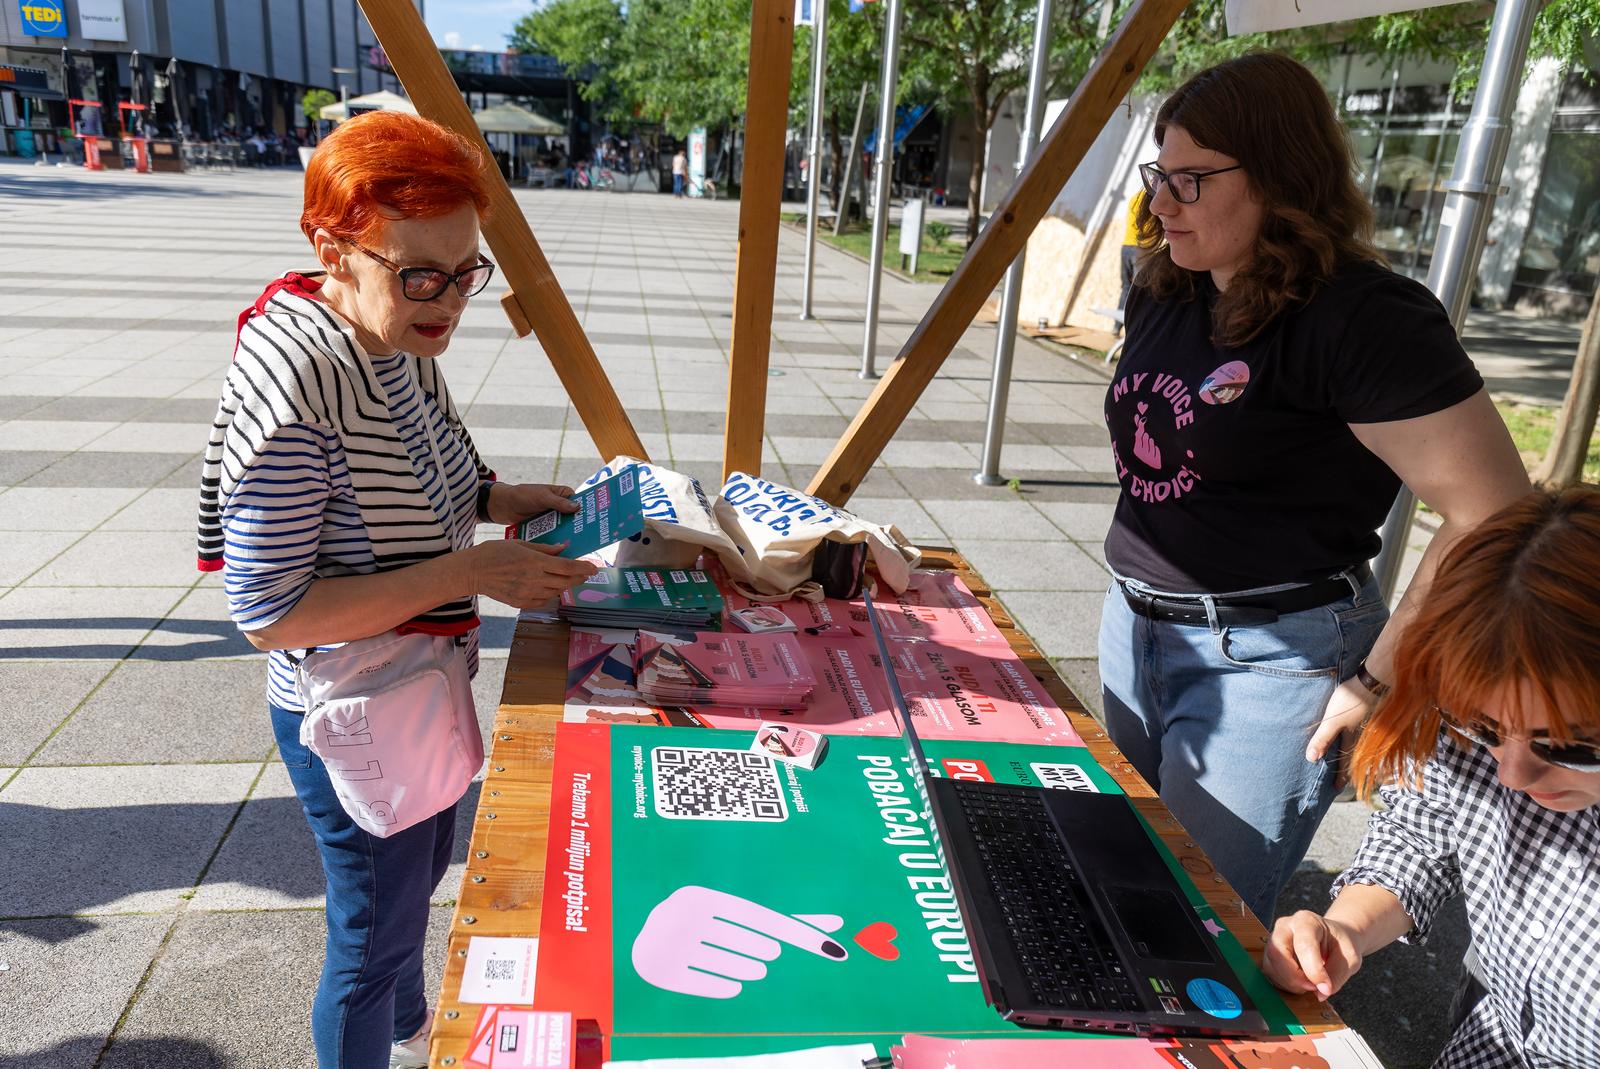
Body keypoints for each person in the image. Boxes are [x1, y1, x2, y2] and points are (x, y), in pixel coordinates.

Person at [196, 110, 597, 1069]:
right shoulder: (298, 382)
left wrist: (499, 496)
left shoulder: (393, 334)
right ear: (331, 249)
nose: (448, 302)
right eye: (420, 274)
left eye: (465, 272)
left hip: (412, 682)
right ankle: (384, 1024)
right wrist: (471, 570)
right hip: (352, 708)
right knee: (370, 935)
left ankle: (411, 1024)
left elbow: (436, 460)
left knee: (410, 887)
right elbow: (269, 611)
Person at [1098, 51, 1530, 924]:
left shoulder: (1364, 318)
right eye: (1158, 175)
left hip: (1271, 661)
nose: (1161, 204)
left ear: (1279, 179)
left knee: (1191, 926)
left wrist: (1377, 678)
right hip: (1132, 626)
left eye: (1190, 180)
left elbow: (1494, 511)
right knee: (1118, 876)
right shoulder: (1167, 283)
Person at [1265, 487, 1600, 1069]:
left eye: (1570, 746)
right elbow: (1423, 832)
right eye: (1483, 728)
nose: (1512, 774)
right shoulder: (1472, 721)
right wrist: (1345, 928)